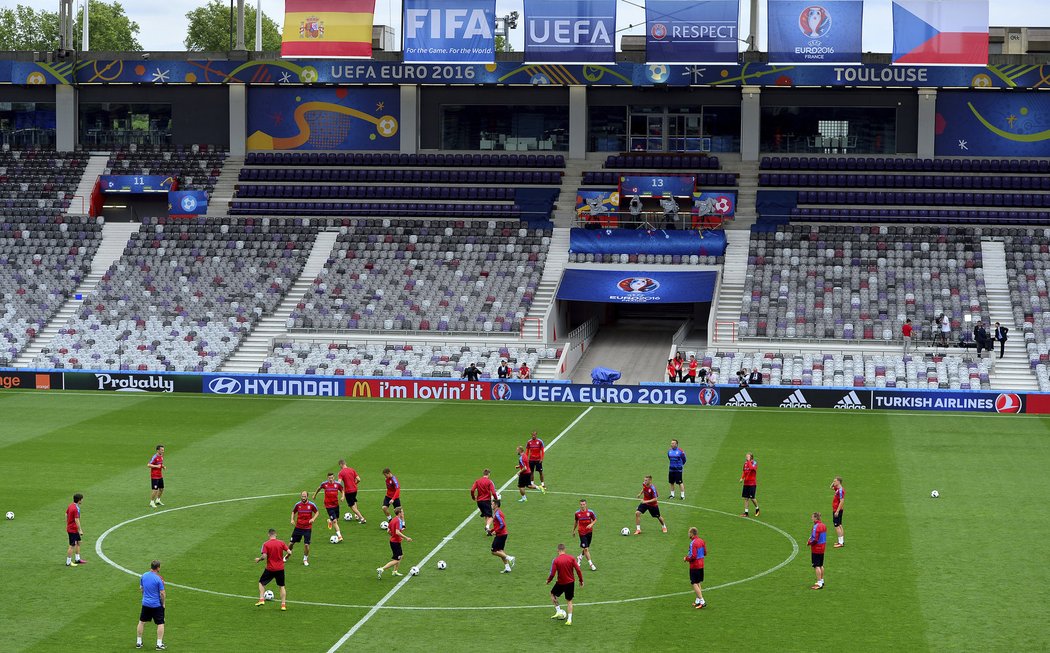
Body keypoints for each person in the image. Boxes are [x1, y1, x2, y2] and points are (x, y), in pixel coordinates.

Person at [546, 543, 584, 626]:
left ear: (557, 550)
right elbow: (578, 570)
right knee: (569, 601)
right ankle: (569, 619)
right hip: (570, 583)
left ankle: (559, 610)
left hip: (560, 583)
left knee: (552, 594)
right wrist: (581, 581)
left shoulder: (556, 560)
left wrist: (549, 580)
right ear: (565, 550)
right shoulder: (571, 558)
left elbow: (552, 574)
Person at [254, 528, 289, 610]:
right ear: (276, 534)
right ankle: (283, 605)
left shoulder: (266, 544)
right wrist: (285, 556)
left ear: (268, 535)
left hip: (270, 569)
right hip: (280, 568)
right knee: (281, 586)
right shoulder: (281, 543)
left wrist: (258, 559)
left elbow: (264, 556)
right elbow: (289, 552)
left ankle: (261, 599)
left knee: (261, 583)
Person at [136, 560, 166, 649]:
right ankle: (159, 644)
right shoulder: (158, 579)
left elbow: (141, 588)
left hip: (145, 603)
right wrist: (163, 603)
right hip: (156, 604)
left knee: (141, 622)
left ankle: (138, 642)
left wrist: (145, 597)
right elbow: (162, 593)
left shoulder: (144, 575)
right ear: (158, 568)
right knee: (160, 623)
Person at [377, 507, 411, 579]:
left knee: (400, 556)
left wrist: (395, 536)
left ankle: (395, 571)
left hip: (393, 541)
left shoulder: (393, 520)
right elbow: (397, 532)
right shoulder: (398, 521)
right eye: (402, 512)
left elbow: (388, 531)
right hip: (395, 543)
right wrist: (406, 538)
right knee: (396, 560)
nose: (403, 513)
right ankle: (382, 569)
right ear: (399, 513)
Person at [288, 491, 318, 566]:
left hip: (307, 528)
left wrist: (313, 518)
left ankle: (305, 559)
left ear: (307, 496)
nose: (303, 498)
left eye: (305, 496)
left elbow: (317, 512)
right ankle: (288, 554)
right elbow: (293, 512)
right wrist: (292, 519)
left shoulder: (311, 505)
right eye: (302, 496)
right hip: (298, 527)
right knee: (291, 543)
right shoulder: (298, 505)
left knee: (306, 545)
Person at [312, 473, 344, 543]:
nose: (331, 479)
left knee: (336, 519)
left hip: (336, 504)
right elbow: (319, 488)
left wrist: (342, 496)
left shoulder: (337, 484)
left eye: (332, 477)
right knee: (335, 521)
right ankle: (339, 536)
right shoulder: (324, 484)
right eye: (329, 478)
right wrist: (314, 495)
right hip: (328, 506)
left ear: (334, 477)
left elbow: (342, 490)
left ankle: (330, 521)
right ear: (327, 478)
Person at [489, 498, 516, 573]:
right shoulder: (497, 512)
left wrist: (495, 531)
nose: (491, 505)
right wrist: (491, 530)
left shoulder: (497, 513)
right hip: (503, 534)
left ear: (496, 505)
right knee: (500, 551)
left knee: (493, 551)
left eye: (492, 503)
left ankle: (510, 558)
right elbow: (498, 525)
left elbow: (502, 524)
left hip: (501, 535)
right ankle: (507, 568)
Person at [572, 499, 598, 571]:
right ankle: (591, 564)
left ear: (586, 504)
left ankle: (580, 557)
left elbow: (595, 519)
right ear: (579, 505)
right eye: (581, 504)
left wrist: (591, 524)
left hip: (589, 532)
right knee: (586, 548)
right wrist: (573, 530)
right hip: (581, 532)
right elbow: (576, 522)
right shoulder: (577, 513)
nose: (582, 506)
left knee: (586, 547)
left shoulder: (590, 512)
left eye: (583, 504)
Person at [684, 527, 706, 609]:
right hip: (701, 564)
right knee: (698, 582)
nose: (688, 534)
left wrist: (686, 559)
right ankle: (698, 600)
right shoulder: (702, 541)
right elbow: (705, 552)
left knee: (694, 583)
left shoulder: (693, 543)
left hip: (694, 566)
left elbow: (693, 556)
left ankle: (702, 601)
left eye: (689, 533)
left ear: (692, 534)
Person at [337, 459, 365, 524]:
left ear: (341, 464)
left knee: (351, 506)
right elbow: (359, 479)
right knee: (354, 501)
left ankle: (362, 518)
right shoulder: (352, 470)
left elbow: (339, 482)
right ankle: (357, 516)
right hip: (355, 489)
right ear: (345, 463)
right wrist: (355, 483)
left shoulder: (341, 472)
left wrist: (338, 489)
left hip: (348, 491)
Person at [808, 512, 827, 590]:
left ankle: (819, 583)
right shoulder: (823, 525)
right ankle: (821, 580)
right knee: (821, 565)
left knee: (816, 566)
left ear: (816, 518)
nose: (811, 518)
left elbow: (815, 539)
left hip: (816, 548)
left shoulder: (816, 527)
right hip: (822, 547)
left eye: (812, 517)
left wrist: (809, 543)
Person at [66, 492, 85, 566]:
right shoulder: (75, 509)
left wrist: (68, 522)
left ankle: (77, 559)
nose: (83, 501)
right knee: (72, 545)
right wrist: (80, 529)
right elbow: (77, 519)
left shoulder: (71, 505)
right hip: (73, 529)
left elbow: (66, 514)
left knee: (79, 542)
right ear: (79, 500)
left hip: (72, 528)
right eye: (82, 499)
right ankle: (68, 562)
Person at [740, 452, 760, 517]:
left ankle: (757, 509)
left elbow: (751, 468)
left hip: (752, 484)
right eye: (746, 456)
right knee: (746, 498)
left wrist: (749, 461)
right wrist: (742, 478)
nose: (746, 457)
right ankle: (746, 513)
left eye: (748, 456)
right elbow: (744, 472)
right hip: (746, 483)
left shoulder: (754, 463)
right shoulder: (745, 463)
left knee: (752, 498)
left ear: (751, 457)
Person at [831, 477, 845, 548]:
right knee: (839, 525)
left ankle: (840, 543)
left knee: (837, 526)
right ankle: (841, 541)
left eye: (835, 481)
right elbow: (831, 487)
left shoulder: (840, 491)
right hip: (838, 510)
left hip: (837, 510)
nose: (834, 482)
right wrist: (833, 484)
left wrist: (837, 511)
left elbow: (842, 501)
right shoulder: (838, 489)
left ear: (839, 482)